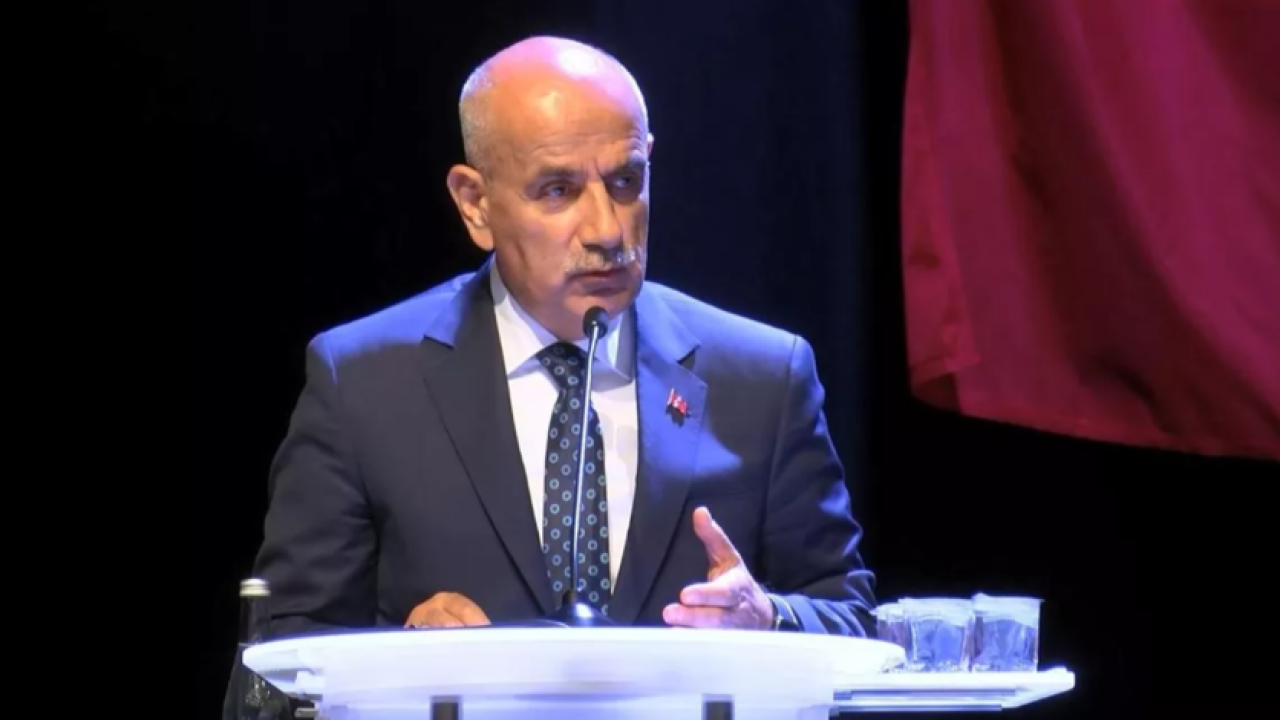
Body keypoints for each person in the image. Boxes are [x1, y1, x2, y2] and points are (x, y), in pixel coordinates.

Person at [252, 35, 876, 637]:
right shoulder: (364, 384)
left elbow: (853, 620)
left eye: (627, 181)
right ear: (475, 204)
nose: (607, 229)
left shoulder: (764, 379)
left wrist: (769, 618)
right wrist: (400, 662)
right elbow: (283, 649)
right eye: (558, 190)